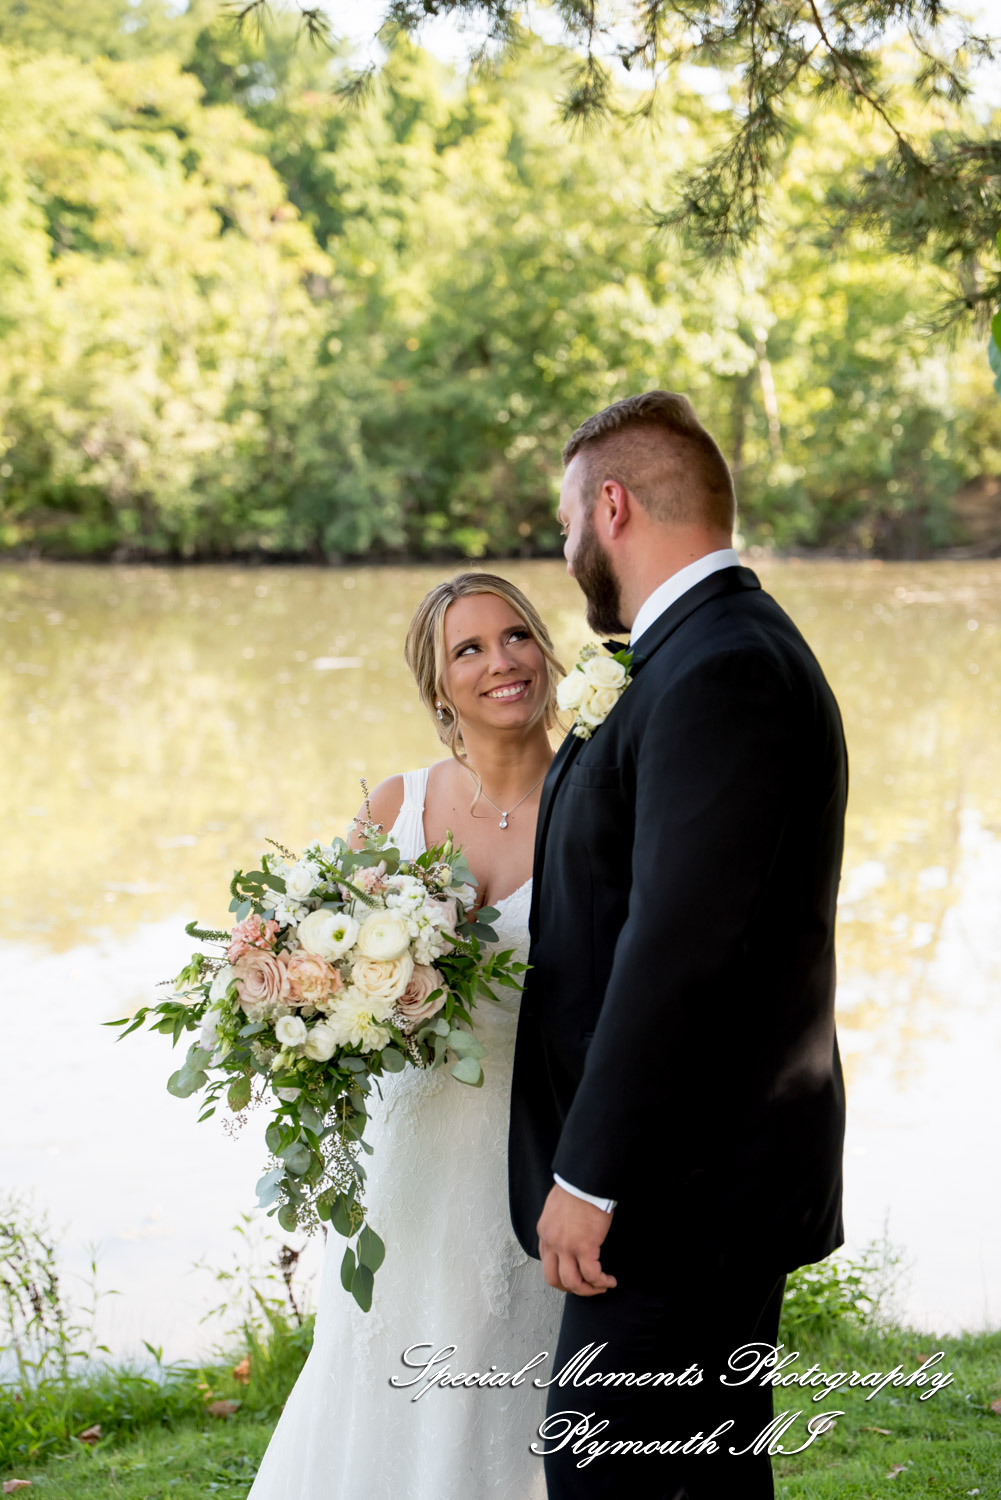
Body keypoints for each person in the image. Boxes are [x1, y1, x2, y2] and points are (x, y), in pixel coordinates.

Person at [508, 390, 849, 1499]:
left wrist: (590, 1175)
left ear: (610, 505)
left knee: (601, 1471)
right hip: (700, 1179)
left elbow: (682, 945)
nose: (563, 552)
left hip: (678, 1191)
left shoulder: (723, 669)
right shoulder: (697, 653)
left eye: (565, 524)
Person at [247, 572, 566, 1499]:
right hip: (414, 1154)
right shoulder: (396, 807)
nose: (500, 663)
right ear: (437, 687)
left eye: (516, 637)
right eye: (468, 649)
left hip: (541, 1145)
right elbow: (311, 963)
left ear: (545, 651)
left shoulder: (602, 799)